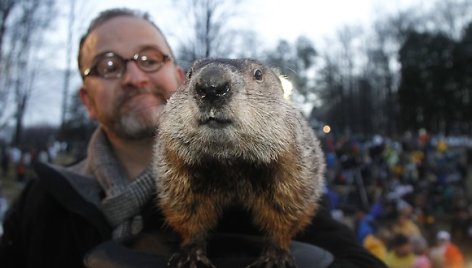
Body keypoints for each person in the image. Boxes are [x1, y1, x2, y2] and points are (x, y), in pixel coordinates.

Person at [0, 8, 386, 268]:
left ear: (180, 80)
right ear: (86, 100)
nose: (135, 77)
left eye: (151, 59)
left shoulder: (262, 172)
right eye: (109, 65)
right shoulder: (40, 202)